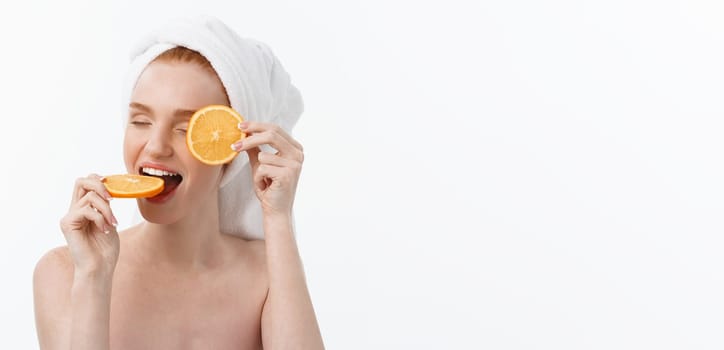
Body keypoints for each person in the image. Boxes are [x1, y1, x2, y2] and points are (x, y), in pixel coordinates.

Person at [32, 16, 324, 349]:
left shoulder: (269, 274)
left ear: (232, 150)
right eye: (140, 121)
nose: (155, 146)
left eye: (185, 129)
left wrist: (277, 216)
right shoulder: (67, 271)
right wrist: (94, 280)